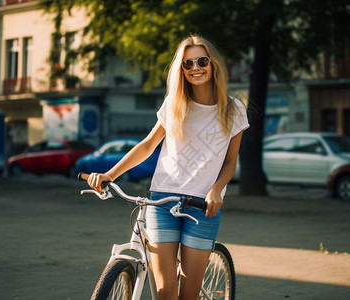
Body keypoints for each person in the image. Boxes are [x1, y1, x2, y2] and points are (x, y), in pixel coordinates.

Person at [87, 35, 249, 300]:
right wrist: (110, 174)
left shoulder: (233, 109)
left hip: (202, 207)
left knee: (188, 294)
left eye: (201, 61)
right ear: (181, 70)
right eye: (187, 64)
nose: (195, 68)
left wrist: (217, 189)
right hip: (162, 201)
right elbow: (147, 145)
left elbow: (231, 161)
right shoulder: (175, 104)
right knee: (164, 293)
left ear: (213, 64)